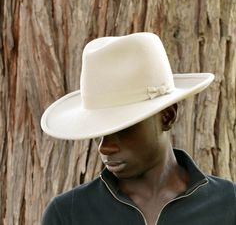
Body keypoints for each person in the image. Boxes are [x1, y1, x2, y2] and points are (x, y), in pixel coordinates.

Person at [41, 33, 236, 225]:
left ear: (167, 117)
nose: (104, 147)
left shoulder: (229, 204)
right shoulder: (68, 214)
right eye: (99, 132)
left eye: (122, 128)